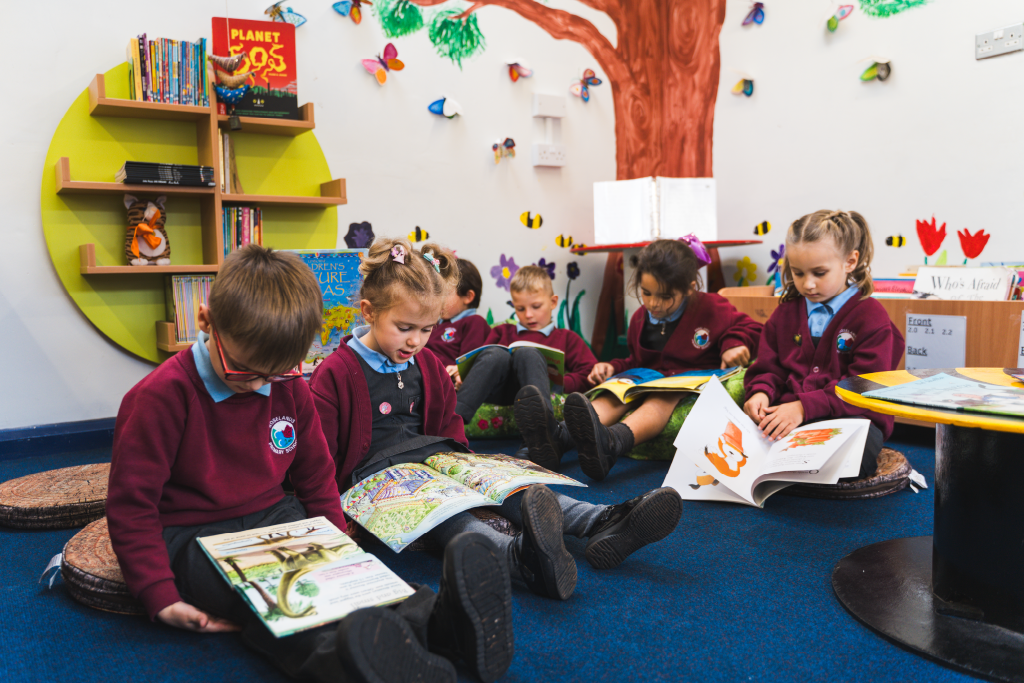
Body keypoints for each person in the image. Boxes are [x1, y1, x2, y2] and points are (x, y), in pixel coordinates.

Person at [106, 245, 512, 683]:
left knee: (343, 578)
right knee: (277, 604)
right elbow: (132, 506)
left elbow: (315, 472)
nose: (261, 385)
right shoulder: (158, 398)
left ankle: (441, 622)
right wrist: (157, 593)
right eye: (245, 371)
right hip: (194, 533)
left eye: (276, 373)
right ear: (206, 322)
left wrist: (340, 547)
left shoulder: (287, 383)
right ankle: (346, 661)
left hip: (276, 514)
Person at [310, 238, 681, 604]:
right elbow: (318, 454)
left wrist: (472, 470)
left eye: (427, 330)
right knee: (445, 509)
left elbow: (448, 422)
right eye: (405, 328)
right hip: (375, 476)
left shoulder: (426, 363)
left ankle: (602, 520)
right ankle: (517, 556)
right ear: (369, 312)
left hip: (433, 456)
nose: (416, 342)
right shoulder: (337, 371)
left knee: (504, 483)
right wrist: (330, 516)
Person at [516, 238, 763, 481]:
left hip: (690, 379)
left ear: (688, 288)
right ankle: (559, 438)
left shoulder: (711, 307)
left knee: (661, 396)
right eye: (646, 293)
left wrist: (734, 345)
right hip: (652, 376)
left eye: (666, 297)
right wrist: (612, 366)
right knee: (616, 390)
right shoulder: (639, 319)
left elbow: (749, 327)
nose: (653, 303)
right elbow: (636, 360)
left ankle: (612, 443)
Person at [742, 210, 904, 478]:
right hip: (787, 415)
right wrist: (760, 392)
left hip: (849, 418)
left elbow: (864, 389)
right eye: (798, 273)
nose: (808, 284)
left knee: (853, 461)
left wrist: (804, 407)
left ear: (850, 261)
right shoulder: (785, 313)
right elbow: (769, 368)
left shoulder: (871, 317)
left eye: (819, 273)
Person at [452, 265, 598, 429]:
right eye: (520, 309)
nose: (528, 315)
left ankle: (543, 431)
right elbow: (484, 365)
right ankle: (451, 422)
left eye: (536, 307)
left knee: (528, 354)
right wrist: (466, 378)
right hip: (502, 391)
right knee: (495, 354)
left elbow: (590, 373)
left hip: (538, 393)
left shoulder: (567, 338)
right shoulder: (501, 332)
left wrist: (560, 383)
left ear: (553, 302)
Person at [424, 257, 491, 387]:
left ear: (468, 297)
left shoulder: (474, 322)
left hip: (442, 381)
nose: (439, 299)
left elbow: (468, 365)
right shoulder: (434, 322)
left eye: (446, 293)